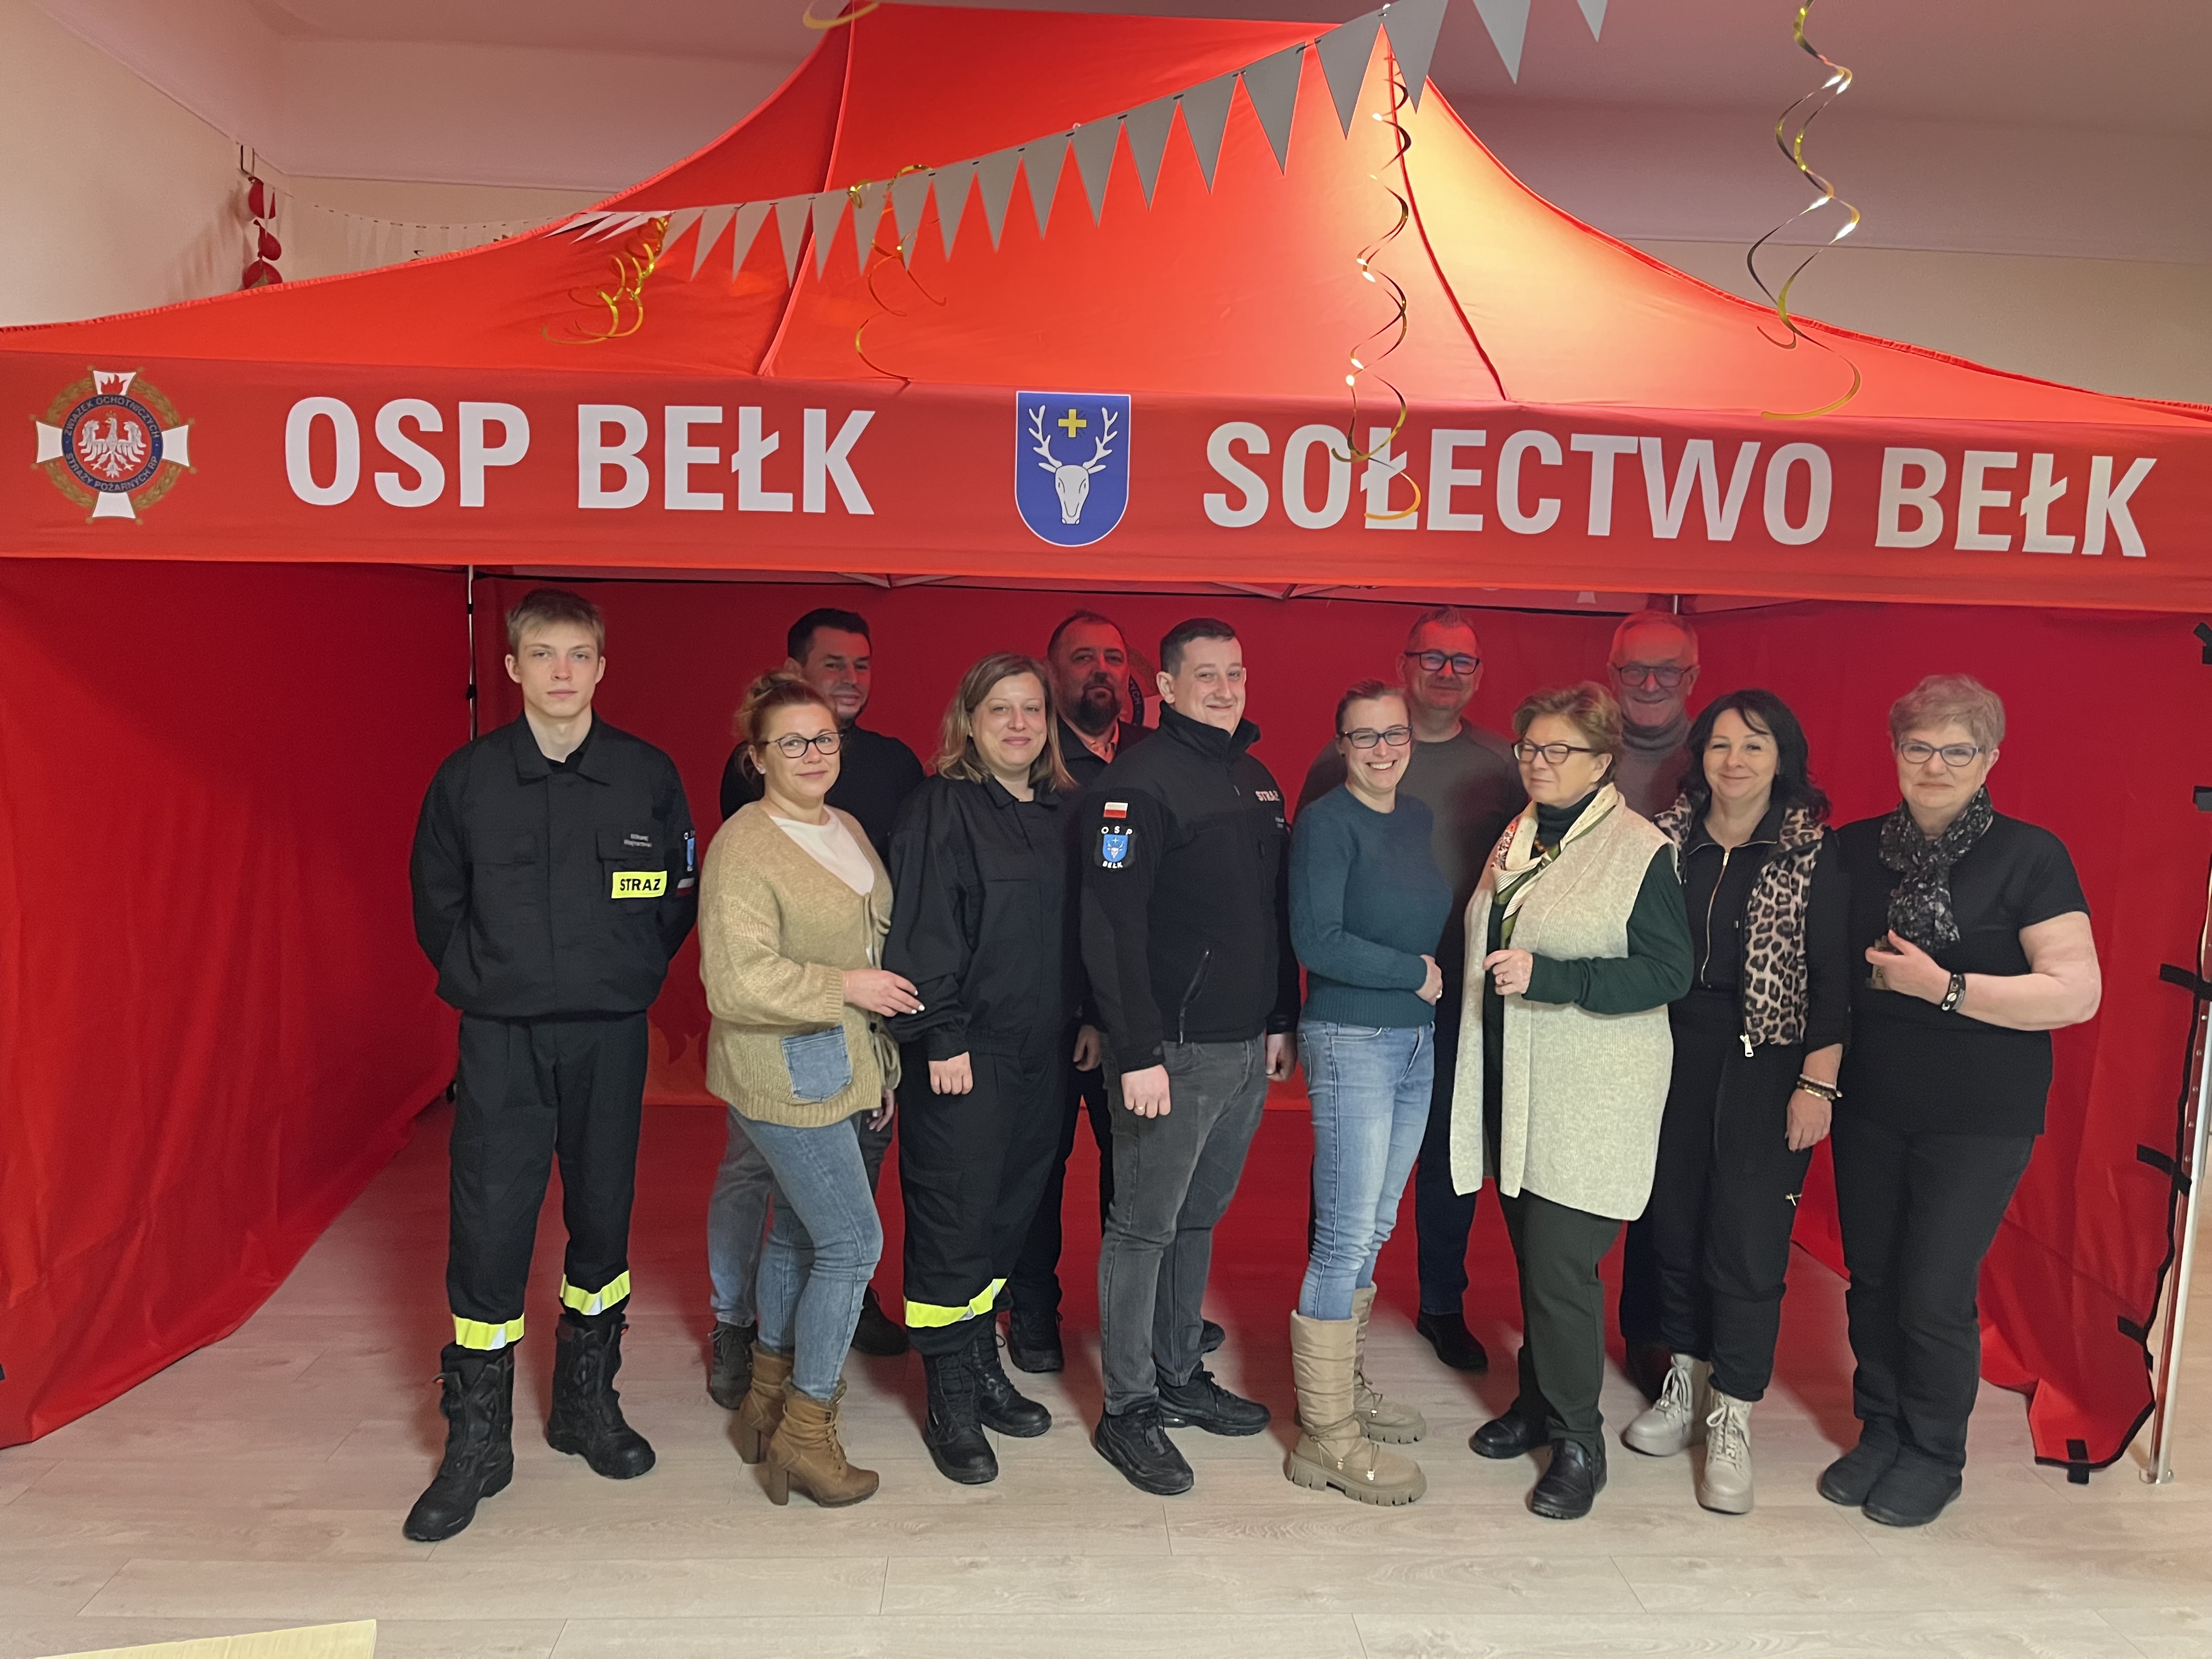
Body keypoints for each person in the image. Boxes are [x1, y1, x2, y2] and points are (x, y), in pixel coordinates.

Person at [403, 588, 698, 1542]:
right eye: (543, 654)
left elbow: (673, 895)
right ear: (513, 667)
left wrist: (625, 971)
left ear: (602, 668)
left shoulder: (645, 775)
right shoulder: (469, 780)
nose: (562, 672)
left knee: (603, 1215)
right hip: (503, 1037)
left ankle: (586, 1406)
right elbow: (436, 903)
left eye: (579, 655)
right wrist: (498, 980)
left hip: (610, 1033)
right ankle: (479, 1440)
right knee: (490, 1222)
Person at [1823, 675, 2099, 1527]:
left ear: (1990, 759)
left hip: (1982, 1114)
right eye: (1919, 747)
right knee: (1873, 1278)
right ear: (1896, 753)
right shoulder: (1854, 849)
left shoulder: (2031, 855)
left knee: (1934, 1287)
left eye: (1958, 750)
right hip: (1873, 1103)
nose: (1935, 766)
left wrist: (1943, 988)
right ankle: (1881, 1428)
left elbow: (2076, 993)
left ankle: (1935, 1454)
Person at [1454, 684, 1692, 1520]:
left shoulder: (1638, 849)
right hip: (1521, 1083)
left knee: (1561, 1267)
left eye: (1559, 751)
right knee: (1535, 1258)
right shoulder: (1520, 834)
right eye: (1529, 748)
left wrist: (1554, 978)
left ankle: (1580, 1445)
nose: (1538, 763)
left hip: (1593, 1093)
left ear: (1603, 763)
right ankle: (1538, 1403)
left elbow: (1670, 971)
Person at [1082, 618, 1299, 1496]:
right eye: (1204, 675)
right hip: (1167, 1054)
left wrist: (1280, 1017)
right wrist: (1135, 1050)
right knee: (1142, 1228)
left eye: (1234, 672)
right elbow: (1110, 925)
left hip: (1244, 1048)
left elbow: (1273, 914)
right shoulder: (1136, 785)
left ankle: (1177, 1373)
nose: (1223, 688)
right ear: (1166, 688)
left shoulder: (1254, 778)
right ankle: (1127, 1407)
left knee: (1197, 1219)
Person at [1628, 691, 1849, 1513]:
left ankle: (1733, 1415)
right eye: (1720, 745)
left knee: (1749, 1246)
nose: (1735, 761)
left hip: (1769, 1062)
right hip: (1672, 1051)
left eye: (1754, 746)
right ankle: (1683, 1387)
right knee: (1675, 1228)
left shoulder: (1811, 851)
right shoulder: (1664, 840)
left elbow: (1834, 980)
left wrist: (1817, 1084)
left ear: (1782, 758)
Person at [699, 672, 916, 1509]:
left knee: (796, 1231)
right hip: (780, 1074)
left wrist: (877, 1063)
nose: (813, 753)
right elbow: (735, 981)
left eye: (824, 738)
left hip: (842, 1066)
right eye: (791, 742)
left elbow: (870, 941)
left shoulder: (846, 826)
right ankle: (807, 1432)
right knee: (854, 1245)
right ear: (757, 758)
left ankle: (764, 1403)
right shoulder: (744, 847)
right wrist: (849, 989)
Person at [1300, 606, 1524, 1376]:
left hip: (1453, 998)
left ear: (1479, 675)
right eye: (1432, 658)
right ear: (1405, 666)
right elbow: (1312, 909)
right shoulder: (1333, 784)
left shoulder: (1498, 767)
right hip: (1363, 1004)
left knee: (1439, 1160)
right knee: (1347, 1189)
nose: (1447, 673)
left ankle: (1440, 1303)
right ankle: (1328, 1346)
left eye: (1463, 661)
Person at [884, 654, 1081, 1483]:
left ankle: (979, 1359)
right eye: (999, 709)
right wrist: (941, 1034)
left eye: (1032, 709)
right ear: (969, 722)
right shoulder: (941, 807)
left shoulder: (1066, 812)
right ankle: (951, 1401)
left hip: (1046, 1053)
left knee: (1009, 1214)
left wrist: (1090, 1019)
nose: (1018, 724)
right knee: (954, 1219)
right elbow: (923, 926)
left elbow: (1084, 930)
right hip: (966, 1051)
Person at [1285, 680, 1451, 1507]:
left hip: (1415, 1041)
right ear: (1341, 745)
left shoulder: (1414, 817)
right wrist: (1412, 973)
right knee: (1344, 1234)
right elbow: (1316, 941)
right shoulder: (1326, 824)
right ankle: (1325, 1436)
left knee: (1377, 1222)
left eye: (1395, 735)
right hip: (1352, 1037)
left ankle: (1341, 1392)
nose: (1383, 750)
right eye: (1365, 737)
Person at [1005, 611, 1152, 1373]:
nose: (1101, 670)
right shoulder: (1028, 762)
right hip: (1047, 1010)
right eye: (1083, 657)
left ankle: (1134, 1317)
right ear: (1051, 672)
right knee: (1040, 1167)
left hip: (1132, 1010)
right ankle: (1032, 1307)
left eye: (1113, 658)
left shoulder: (1150, 761)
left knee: (1136, 1173)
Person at [1604, 608, 1702, 1398]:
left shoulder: (1720, 753)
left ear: (1691, 678)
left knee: (1668, 1179)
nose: (1649, 684)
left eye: (1665, 670)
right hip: (1586, 989)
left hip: (1684, 996)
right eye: (1633, 669)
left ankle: (1653, 1333)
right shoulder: (1582, 744)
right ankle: (1551, 1339)